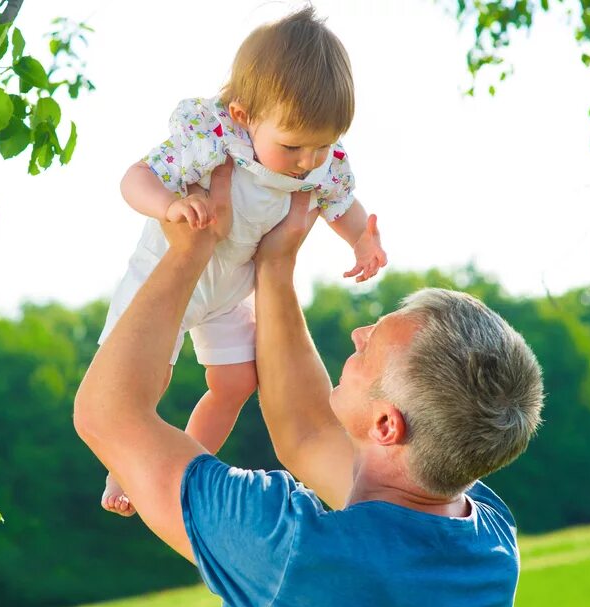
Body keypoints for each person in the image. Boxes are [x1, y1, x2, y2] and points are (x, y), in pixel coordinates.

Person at [74, 159, 545, 607]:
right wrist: (275, 266)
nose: (358, 335)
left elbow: (108, 414)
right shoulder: (488, 543)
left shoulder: (292, 549)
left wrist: (191, 251)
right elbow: (307, 431)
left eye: (372, 348)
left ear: (387, 425)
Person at [99, 7, 388, 516]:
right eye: (293, 145)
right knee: (143, 383)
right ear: (244, 116)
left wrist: (361, 242)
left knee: (235, 383)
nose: (307, 161)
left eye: (323, 146)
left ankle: (180, 473)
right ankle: (121, 471)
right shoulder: (210, 142)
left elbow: (340, 205)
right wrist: (168, 205)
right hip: (162, 281)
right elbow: (134, 177)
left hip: (230, 290)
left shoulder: (321, 163)